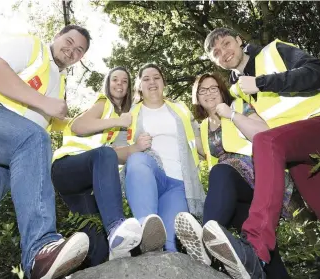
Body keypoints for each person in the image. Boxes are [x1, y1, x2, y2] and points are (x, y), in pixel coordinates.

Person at [201, 27, 320, 279]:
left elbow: (316, 72)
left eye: (226, 43)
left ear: (240, 40)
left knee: (266, 142)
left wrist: (261, 82)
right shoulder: (238, 90)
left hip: (315, 123)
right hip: (298, 153)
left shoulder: (273, 51)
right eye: (216, 52)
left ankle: (255, 246)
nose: (224, 52)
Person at [0, 25, 92, 279]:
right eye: (69, 41)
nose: (72, 50)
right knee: (33, 137)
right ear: (56, 36)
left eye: (79, 50)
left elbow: (65, 124)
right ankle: (40, 249)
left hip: (0, 157)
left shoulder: (60, 83)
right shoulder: (33, 47)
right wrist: (44, 102)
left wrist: (104, 123)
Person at [174, 72, 291, 278]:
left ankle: (203, 244)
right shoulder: (202, 128)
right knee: (260, 246)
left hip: (257, 178)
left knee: (222, 169)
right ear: (197, 97)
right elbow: (192, 153)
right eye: (203, 90)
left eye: (213, 88)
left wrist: (232, 115)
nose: (208, 93)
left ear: (222, 91)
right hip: (231, 191)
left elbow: (264, 133)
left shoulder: (238, 106)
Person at [51, 66, 144, 264]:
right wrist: (117, 120)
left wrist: (137, 147)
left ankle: (102, 257)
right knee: (104, 153)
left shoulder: (124, 119)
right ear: (108, 84)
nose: (119, 84)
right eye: (115, 80)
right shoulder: (104, 103)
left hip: (83, 187)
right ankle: (115, 225)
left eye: (124, 81)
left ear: (128, 88)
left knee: (99, 247)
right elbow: (78, 126)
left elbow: (116, 156)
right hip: (66, 167)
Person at [121, 63, 206, 253]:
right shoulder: (130, 114)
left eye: (156, 77)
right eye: (146, 79)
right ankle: (145, 225)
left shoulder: (180, 109)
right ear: (139, 86)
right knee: (137, 159)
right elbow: (117, 151)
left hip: (179, 184)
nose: (152, 82)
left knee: (170, 247)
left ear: (163, 83)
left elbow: (199, 141)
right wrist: (135, 147)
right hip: (147, 177)